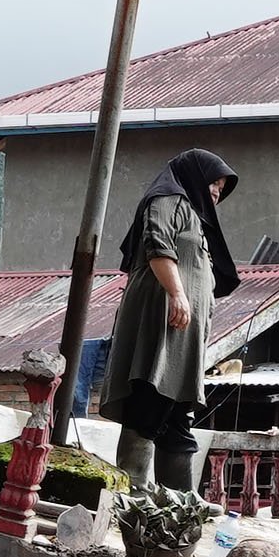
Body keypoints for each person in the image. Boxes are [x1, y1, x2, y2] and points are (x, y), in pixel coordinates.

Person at [98, 149, 240, 491]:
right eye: (213, 183)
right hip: (161, 323)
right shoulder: (166, 200)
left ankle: (178, 504)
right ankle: (132, 496)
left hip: (184, 334)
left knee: (177, 422)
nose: (216, 192)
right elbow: (157, 245)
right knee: (148, 405)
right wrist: (177, 293)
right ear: (195, 177)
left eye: (221, 188)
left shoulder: (196, 217)